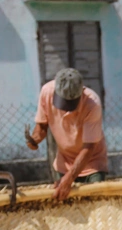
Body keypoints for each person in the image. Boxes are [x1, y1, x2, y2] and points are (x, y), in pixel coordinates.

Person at [25, 68, 108, 201]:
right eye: (63, 101)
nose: (65, 109)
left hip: (92, 164)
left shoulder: (92, 103)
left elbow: (89, 148)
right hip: (64, 163)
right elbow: (42, 126)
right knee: (63, 204)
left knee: (96, 204)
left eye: (70, 103)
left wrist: (69, 178)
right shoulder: (47, 92)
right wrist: (34, 139)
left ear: (81, 92)